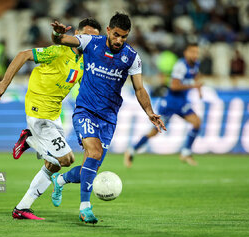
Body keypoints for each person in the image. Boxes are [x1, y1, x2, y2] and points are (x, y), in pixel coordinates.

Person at [49, 12, 166, 224]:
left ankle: (61, 179)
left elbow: (139, 88)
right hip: (85, 110)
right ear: (109, 31)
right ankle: (85, 208)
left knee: (90, 168)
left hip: (109, 119)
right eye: (117, 35)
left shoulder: (131, 57)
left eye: (124, 37)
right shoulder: (91, 42)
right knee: (94, 151)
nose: (119, 40)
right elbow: (64, 40)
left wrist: (150, 112)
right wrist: (57, 35)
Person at [0, 18, 102, 220]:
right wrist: (5, 82)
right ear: (76, 34)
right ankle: (29, 140)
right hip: (39, 111)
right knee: (65, 159)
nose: (88, 40)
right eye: (84, 35)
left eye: (94, 38)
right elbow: (24, 54)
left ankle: (22, 208)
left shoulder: (86, 61)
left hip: (53, 113)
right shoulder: (59, 51)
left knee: (55, 165)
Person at [124, 43, 202, 168]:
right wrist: (194, 86)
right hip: (170, 103)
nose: (195, 55)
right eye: (192, 52)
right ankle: (132, 150)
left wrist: (199, 90)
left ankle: (186, 152)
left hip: (182, 103)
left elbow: (196, 76)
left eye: (197, 52)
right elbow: (174, 86)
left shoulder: (195, 65)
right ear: (186, 53)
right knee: (155, 131)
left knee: (197, 122)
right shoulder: (180, 66)